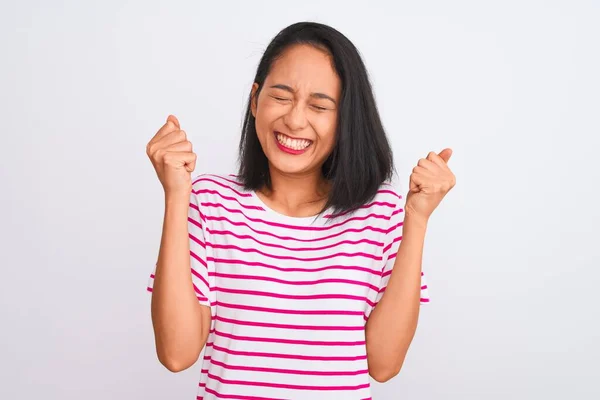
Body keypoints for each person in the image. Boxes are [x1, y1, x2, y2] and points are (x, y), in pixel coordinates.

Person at [145, 21, 455, 400]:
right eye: (281, 96)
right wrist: (177, 195)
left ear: (344, 119)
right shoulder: (209, 202)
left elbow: (384, 364)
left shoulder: (383, 214)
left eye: (319, 105)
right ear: (255, 99)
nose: (294, 120)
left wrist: (418, 220)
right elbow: (177, 354)